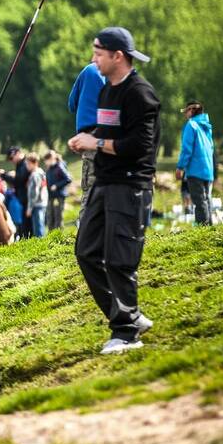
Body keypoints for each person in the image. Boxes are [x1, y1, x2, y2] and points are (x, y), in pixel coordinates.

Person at [68, 27, 160, 355]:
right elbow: (107, 132)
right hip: (104, 183)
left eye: (98, 53)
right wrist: (88, 141)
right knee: (86, 251)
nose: (93, 59)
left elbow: (140, 146)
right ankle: (129, 316)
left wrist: (99, 142)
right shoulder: (107, 90)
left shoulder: (140, 94)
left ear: (117, 56)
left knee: (120, 259)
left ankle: (126, 333)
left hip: (130, 185)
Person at [67, 62, 107, 217]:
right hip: (114, 136)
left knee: (90, 189)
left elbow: (72, 103)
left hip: (90, 135)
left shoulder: (88, 70)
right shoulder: (118, 73)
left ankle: (85, 235)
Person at [176, 100, 215, 225]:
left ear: (192, 111)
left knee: (199, 201)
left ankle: (202, 233)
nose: (185, 114)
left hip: (195, 170)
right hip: (208, 170)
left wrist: (180, 167)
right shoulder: (206, 126)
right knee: (207, 200)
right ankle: (210, 229)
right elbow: (211, 148)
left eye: (186, 111)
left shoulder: (191, 125)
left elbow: (187, 149)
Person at [43, 150, 72, 231]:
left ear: (51, 158)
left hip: (58, 196)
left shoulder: (59, 167)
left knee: (57, 217)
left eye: (46, 160)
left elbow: (68, 179)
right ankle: (51, 236)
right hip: (51, 196)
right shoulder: (49, 168)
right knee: (50, 217)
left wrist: (57, 185)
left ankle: (58, 236)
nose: (45, 163)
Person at [8, 147, 32, 238]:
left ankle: (29, 240)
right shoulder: (19, 164)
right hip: (22, 198)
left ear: (17, 153)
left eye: (11, 158)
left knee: (28, 223)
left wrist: (5, 176)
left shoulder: (25, 163)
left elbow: (20, 180)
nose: (11, 161)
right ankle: (26, 239)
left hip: (28, 198)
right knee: (24, 222)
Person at [25, 153, 48, 238]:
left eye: (28, 164)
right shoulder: (41, 172)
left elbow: (34, 193)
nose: (27, 166)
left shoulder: (35, 175)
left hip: (37, 204)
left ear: (34, 163)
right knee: (40, 225)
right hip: (42, 202)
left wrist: (29, 208)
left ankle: (41, 246)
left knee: (38, 228)